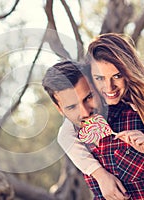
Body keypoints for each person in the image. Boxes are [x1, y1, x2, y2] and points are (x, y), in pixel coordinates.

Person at [59, 33, 144, 199]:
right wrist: (100, 175)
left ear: (129, 71)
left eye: (117, 76)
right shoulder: (89, 110)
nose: (109, 87)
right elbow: (65, 136)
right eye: (99, 78)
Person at [42, 60, 131, 200]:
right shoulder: (69, 131)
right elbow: (66, 139)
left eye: (89, 97)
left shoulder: (128, 108)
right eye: (71, 107)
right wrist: (101, 175)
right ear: (59, 109)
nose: (84, 112)